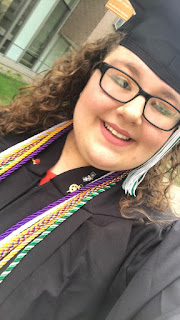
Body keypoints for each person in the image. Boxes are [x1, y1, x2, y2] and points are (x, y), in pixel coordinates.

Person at [0, 0, 179, 319]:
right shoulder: (7, 133)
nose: (131, 111)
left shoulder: (148, 244)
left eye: (163, 108)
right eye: (123, 81)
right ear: (90, 73)